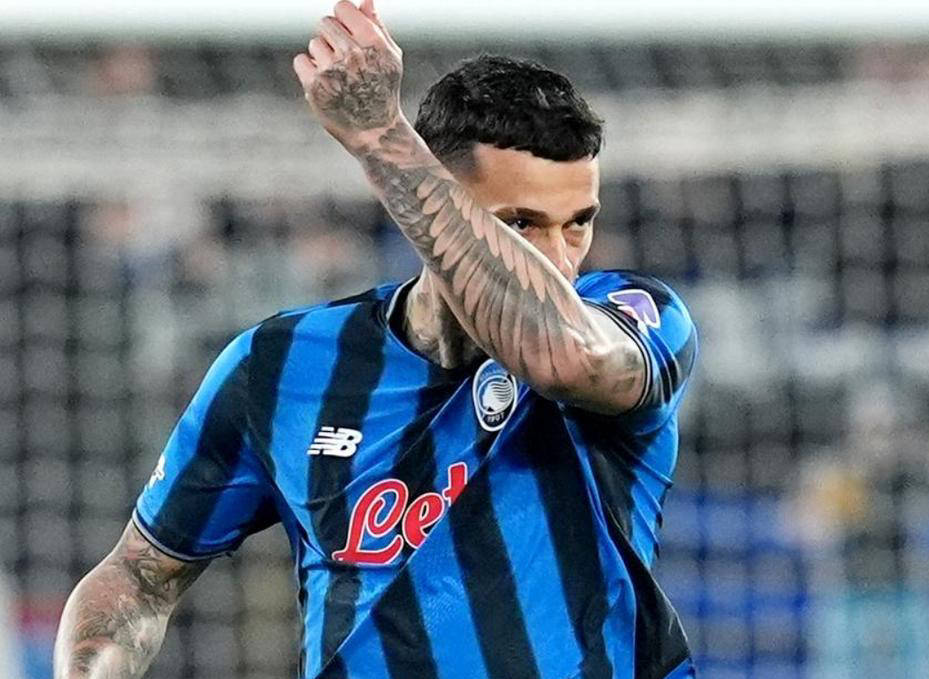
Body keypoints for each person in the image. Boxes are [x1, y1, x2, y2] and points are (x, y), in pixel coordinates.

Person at [52, 2, 699, 678]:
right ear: (432, 206)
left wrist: (380, 134)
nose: (559, 259)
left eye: (577, 223)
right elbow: (139, 574)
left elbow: (563, 357)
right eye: (519, 225)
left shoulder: (637, 316)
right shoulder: (282, 365)